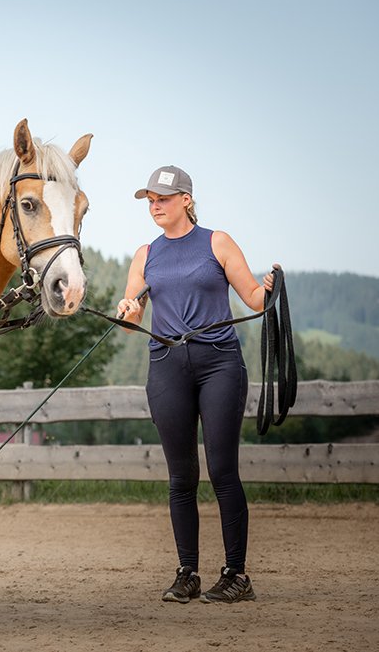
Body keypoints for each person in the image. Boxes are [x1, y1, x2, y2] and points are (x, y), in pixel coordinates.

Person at [115, 165, 276, 604]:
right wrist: (129, 310)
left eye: (163, 199)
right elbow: (132, 318)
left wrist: (271, 289)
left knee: (222, 471)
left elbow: (254, 299)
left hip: (219, 364)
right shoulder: (145, 254)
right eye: (150, 200)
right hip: (167, 367)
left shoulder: (216, 242)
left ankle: (237, 575)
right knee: (181, 476)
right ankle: (187, 573)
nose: (155, 206)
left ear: (186, 199)